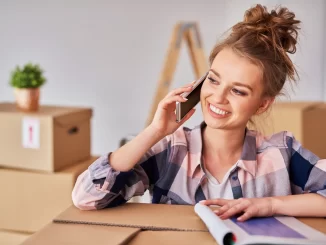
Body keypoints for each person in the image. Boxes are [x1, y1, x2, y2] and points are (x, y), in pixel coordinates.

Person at [72, 4, 326, 221]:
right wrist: (155, 131)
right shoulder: (171, 151)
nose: (218, 97)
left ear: (262, 105)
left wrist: (271, 205)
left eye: (238, 91)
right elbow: (87, 197)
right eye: (213, 80)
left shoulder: (282, 153)